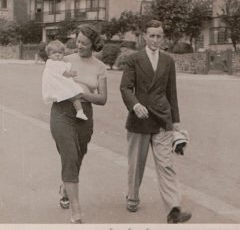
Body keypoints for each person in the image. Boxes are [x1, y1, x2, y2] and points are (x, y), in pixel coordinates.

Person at [120, 20, 192, 224]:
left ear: (163, 37)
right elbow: (125, 88)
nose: (155, 40)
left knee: (166, 165)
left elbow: (172, 92)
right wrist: (135, 105)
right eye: (151, 35)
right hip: (139, 119)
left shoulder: (168, 61)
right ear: (144, 36)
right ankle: (132, 197)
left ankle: (173, 209)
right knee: (136, 165)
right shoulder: (134, 59)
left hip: (162, 119)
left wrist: (176, 121)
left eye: (159, 36)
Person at [49, 24, 107, 223]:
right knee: (70, 154)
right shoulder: (65, 59)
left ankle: (66, 188)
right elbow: (50, 79)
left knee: (78, 156)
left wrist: (83, 94)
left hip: (85, 114)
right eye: (78, 41)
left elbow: (103, 99)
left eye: (84, 43)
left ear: (93, 45)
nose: (79, 45)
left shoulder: (99, 67)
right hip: (62, 112)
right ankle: (76, 211)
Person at [42, 40, 88, 120]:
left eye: (60, 53)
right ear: (49, 55)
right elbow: (64, 73)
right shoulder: (53, 63)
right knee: (74, 95)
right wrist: (71, 73)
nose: (57, 54)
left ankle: (79, 112)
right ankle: (80, 111)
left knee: (73, 96)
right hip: (59, 84)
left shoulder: (53, 62)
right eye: (54, 53)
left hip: (57, 85)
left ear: (63, 54)